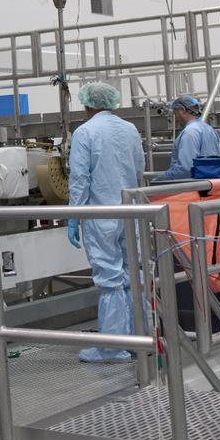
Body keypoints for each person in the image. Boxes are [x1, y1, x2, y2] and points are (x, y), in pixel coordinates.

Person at [66, 81, 144, 363]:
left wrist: (74, 216)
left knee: (110, 279)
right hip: (131, 212)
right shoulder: (130, 129)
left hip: (101, 215)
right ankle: (140, 337)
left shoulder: (85, 132)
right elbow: (139, 169)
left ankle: (112, 347)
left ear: (87, 105)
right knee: (133, 276)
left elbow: (79, 179)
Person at [160, 95, 220, 180]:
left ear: (182, 110)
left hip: (194, 186)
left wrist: (160, 179)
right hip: (212, 184)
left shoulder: (189, 132)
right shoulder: (209, 129)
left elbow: (186, 168)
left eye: (175, 113)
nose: (175, 118)